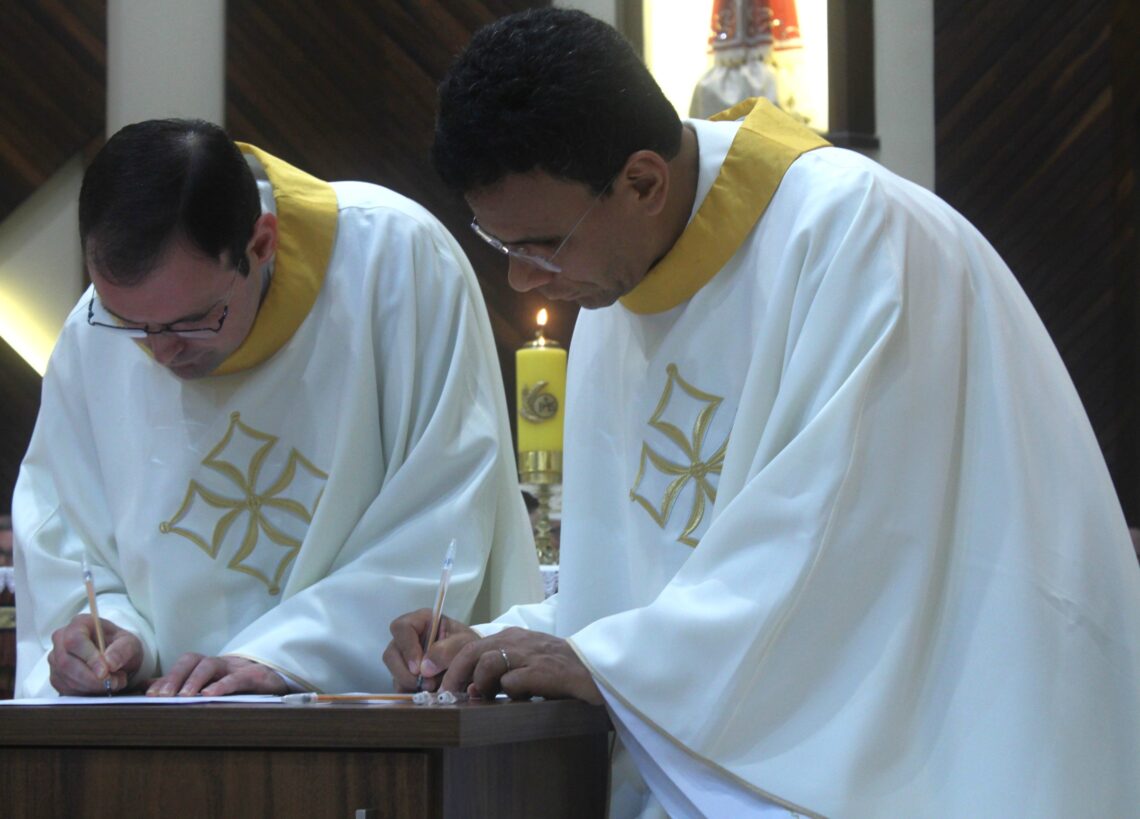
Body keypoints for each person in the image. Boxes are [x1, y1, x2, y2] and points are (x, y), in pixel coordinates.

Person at [383, 8, 1140, 818]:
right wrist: (493, 641)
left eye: (539, 245)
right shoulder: (615, 293)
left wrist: (606, 661)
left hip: (937, 746)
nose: (524, 284)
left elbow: (849, 566)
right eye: (504, 250)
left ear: (644, 181)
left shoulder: (854, 238)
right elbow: (648, 586)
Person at [13, 118, 542, 700]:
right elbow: (66, 532)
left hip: (369, 726)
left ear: (261, 244)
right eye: (130, 324)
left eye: (193, 321)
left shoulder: (394, 261)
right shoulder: (95, 332)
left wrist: (283, 658)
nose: (160, 351)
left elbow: (445, 505)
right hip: (163, 728)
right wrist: (113, 638)